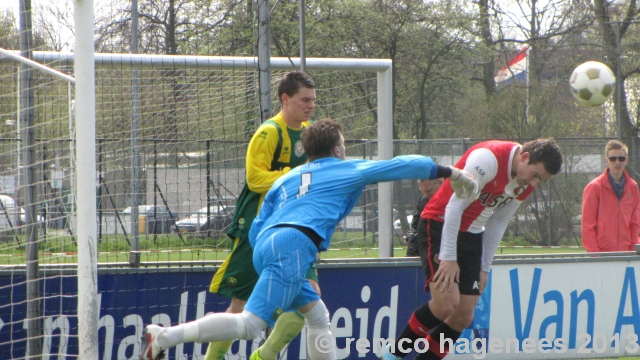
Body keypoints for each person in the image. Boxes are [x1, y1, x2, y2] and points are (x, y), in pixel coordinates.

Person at [139, 118, 479, 360]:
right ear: (336, 148)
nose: (346, 149)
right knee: (250, 325)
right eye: (344, 144)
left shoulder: (287, 178)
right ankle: (166, 337)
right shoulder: (346, 168)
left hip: (268, 244)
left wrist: (271, 253)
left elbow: (260, 221)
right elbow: (402, 164)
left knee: (317, 316)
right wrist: (452, 172)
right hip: (294, 245)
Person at [382, 138, 563, 360]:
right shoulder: (488, 159)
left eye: (540, 181)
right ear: (524, 157)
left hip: (472, 234)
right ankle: (392, 355)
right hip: (440, 223)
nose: (533, 184)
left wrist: (484, 267)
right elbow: (454, 207)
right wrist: (449, 257)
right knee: (446, 304)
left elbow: (498, 223)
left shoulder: (523, 181)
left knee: (463, 315)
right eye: (535, 175)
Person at [205, 71, 321, 360]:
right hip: (259, 228)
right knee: (241, 306)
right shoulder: (270, 132)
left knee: (311, 299)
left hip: (294, 231)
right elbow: (255, 179)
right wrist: (295, 175)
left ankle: (263, 356)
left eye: (313, 100)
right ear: (285, 99)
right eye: (304, 99)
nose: (310, 106)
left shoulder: (309, 133)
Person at [582, 139, 640, 252]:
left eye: (621, 158)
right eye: (613, 159)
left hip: (626, 254)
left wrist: (634, 251)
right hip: (603, 255)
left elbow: (635, 223)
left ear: (626, 160)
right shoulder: (594, 187)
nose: (617, 162)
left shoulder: (633, 187)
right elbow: (588, 226)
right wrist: (595, 255)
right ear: (606, 161)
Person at [404, 178, 444, 256]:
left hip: (444, 245)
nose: (426, 195)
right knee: (413, 245)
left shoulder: (452, 200)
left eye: (429, 191)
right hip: (426, 244)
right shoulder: (423, 200)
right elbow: (416, 224)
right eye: (423, 191)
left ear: (440, 183)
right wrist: (411, 235)